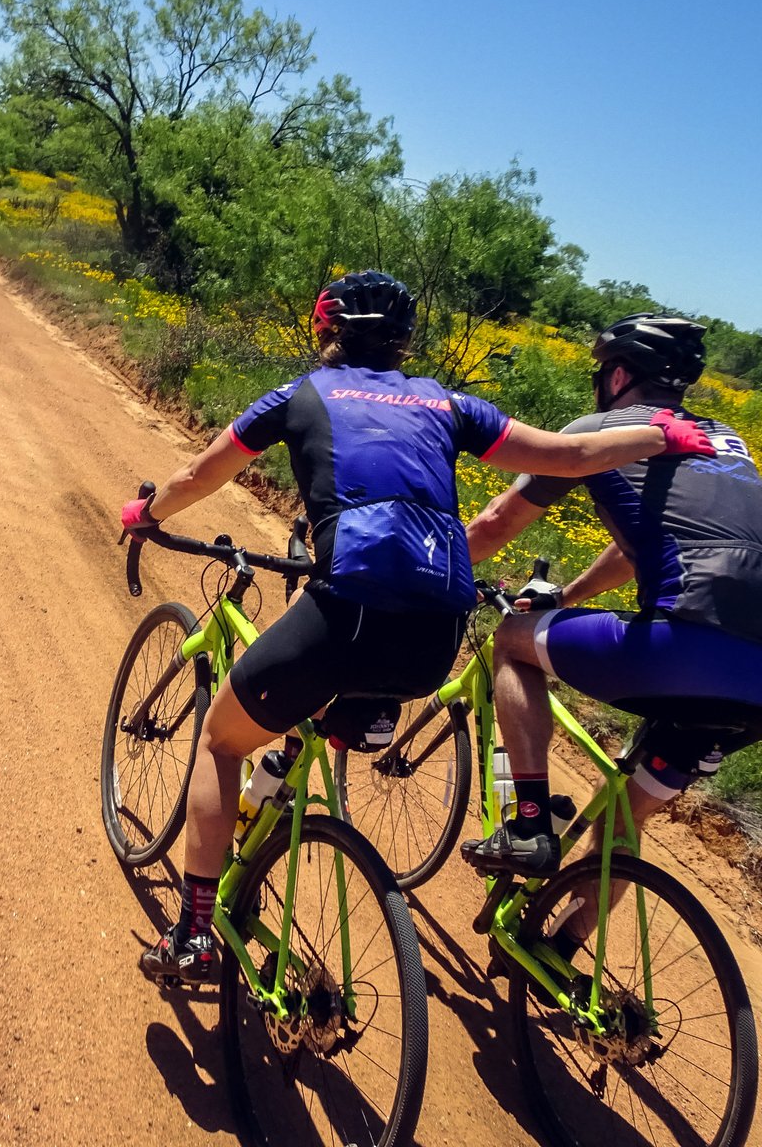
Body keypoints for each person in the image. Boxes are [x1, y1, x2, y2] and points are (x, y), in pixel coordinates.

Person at [120, 275, 715, 984]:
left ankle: (193, 936)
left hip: (349, 610)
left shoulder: (300, 396)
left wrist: (147, 515)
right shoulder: (445, 401)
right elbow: (565, 456)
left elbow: (197, 475)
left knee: (221, 741)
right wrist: (660, 434)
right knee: (353, 681)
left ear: (324, 330)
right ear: (405, 342)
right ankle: (357, 722)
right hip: (436, 637)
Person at [462, 313, 762, 881]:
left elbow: (498, 520)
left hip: (681, 646)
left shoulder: (600, 430)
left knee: (512, 641)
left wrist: (434, 570)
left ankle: (526, 823)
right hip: (757, 683)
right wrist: (569, 597)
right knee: (624, 815)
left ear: (619, 376)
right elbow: (638, 548)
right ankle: (561, 951)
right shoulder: (727, 443)